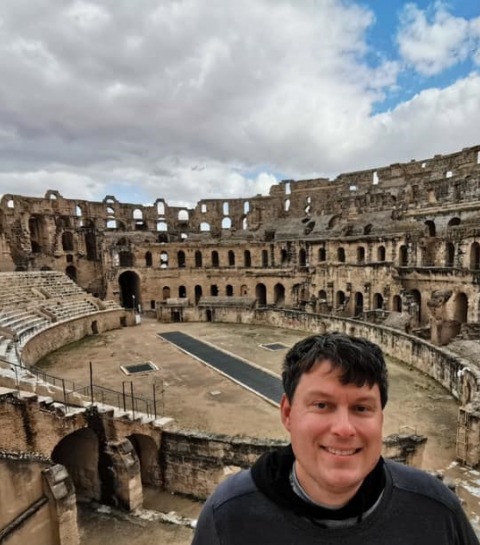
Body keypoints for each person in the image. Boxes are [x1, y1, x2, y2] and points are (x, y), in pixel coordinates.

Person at [191, 332, 479, 544]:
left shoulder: (438, 511)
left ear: (380, 417)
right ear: (288, 413)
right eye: (322, 405)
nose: (343, 429)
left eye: (361, 408)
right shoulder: (228, 515)